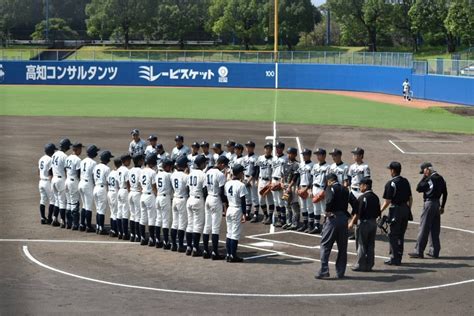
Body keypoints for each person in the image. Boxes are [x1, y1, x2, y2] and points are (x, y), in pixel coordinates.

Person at [409, 162, 448, 259]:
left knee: (424, 227)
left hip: (429, 204)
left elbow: (419, 188)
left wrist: (425, 177)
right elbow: (445, 193)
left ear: (428, 169)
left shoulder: (430, 179)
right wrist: (442, 206)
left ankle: (418, 251)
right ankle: (434, 251)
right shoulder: (440, 178)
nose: (423, 173)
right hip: (437, 204)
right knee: (435, 228)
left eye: (424, 171)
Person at [316, 173, 350, 279]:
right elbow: (353, 203)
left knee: (325, 245)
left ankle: (324, 271)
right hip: (344, 219)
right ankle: (340, 272)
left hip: (333, 219)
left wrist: (327, 212)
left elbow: (329, 200)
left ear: (329, 181)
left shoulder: (330, 188)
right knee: (342, 247)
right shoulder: (345, 189)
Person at [380, 161, 413, 266]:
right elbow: (410, 198)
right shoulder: (405, 181)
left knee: (393, 234)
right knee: (400, 234)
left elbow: (387, 201)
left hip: (396, 210)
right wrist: (408, 210)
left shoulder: (391, 184)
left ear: (393, 171)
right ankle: (399, 255)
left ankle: (394, 258)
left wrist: (379, 211)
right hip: (405, 209)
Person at [348, 177, 380, 272]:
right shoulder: (375, 197)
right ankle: (369, 264)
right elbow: (378, 212)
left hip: (364, 223)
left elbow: (357, 213)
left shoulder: (362, 198)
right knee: (370, 244)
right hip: (373, 223)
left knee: (361, 243)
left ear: (365, 186)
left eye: (360, 185)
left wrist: (351, 223)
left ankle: (361, 264)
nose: (359, 187)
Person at [203, 156, 229, 260]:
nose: (225, 168)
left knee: (207, 226)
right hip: (215, 199)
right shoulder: (220, 174)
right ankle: (214, 252)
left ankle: (205, 251)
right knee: (215, 227)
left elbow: (204, 189)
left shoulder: (208, 172)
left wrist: (206, 200)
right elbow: (222, 192)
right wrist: (225, 204)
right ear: (222, 164)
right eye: (225, 165)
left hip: (208, 198)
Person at [224, 164, 247, 263]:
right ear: (240, 173)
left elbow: (225, 198)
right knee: (235, 234)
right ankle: (233, 256)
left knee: (229, 233)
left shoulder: (227, 183)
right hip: (237, 209)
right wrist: (244, 214)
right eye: (243, 172)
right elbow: (243, 201)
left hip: (229, 208)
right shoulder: (241, 185)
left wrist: (225, 209)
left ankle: (228, 254)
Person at [186, 155, 208, 256]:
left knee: (190, 224)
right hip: (198, 200)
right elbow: (204, 191)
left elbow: (187, 188)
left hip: (190, 199)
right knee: (198, 225)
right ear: (202, 164)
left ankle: (189, 246)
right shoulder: (203, 175)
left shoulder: (190, 173)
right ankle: (195, 248)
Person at [51, 138, 72, 228]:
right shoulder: (64, 156)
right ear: (66, 146)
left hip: (54, 179)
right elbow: (66, 170)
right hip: (60, 180)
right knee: (62, 202)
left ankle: (55, 218)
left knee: (56, 201)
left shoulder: (54, 154)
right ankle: (63, 221)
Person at [170, 156, 189, 252]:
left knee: (175, 223)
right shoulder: (186, 176)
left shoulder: (173, 175)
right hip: (182, 200)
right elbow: (188, 189)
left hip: (175, 199)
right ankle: (180, 245)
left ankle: (173, 244)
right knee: (182, 224)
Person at [79, 145, 99, 232]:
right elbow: (93, 176)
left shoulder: (82, 161)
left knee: (84, 205)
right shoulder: (93, 163)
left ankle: (82, 224)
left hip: (81, 183)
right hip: (88, 184)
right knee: (89, 206)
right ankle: (88, 226)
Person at [93, 150, 113, 235]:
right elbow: (109, 180)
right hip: (102, 189)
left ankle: (98, 226)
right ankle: (101, 228)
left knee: (98, 209)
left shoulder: (96, 166)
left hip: (96, 187)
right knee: (101, 209)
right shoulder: (106, 168)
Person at [139, 154, 158, 246]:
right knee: (151, 218)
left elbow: (139, 184)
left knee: (143, 218)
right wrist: (157, 196)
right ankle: (151, 239)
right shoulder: (152, 172)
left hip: (142, 195)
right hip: (150, 196)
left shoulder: (141, 171)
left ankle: (142, 238)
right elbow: (154, 187)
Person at [310, 148, 329, 234]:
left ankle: (325, 228)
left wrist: (324, 190)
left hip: (322, 189)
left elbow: (328, 181)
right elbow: (312, 178)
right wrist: (310, 189)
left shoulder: (328, 167)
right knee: (316, 209)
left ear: (324, 155)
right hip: (315, 188)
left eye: (319, 154)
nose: (317, 156)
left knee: (324, 210)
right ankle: (317, 226)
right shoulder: (315, 166)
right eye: (317, 154)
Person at [155, 158, 174, 249]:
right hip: (165, 198)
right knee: (166, 220)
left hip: (158, 197)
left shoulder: (158, 174)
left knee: (158, 219)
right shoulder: (168, 175)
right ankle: (166, 242)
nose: (171, 168)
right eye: (170, 166)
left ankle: (157, 240)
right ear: (167, 166)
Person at [65, 142, 83, 230]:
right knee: (75, 203)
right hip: (73, 182)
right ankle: (75, 224)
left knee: (68, 202)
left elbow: (65, 169)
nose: (81, 151)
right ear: (77, 149)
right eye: (80, 149)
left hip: (67, 180)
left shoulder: (68, 158)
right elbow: (79, 173)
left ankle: (68, 223)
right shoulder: (77, 159)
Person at [38, 143, 57, 225]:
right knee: (53, 200)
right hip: (47, 182)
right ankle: (49, 218)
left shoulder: (41, 159)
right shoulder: (50, 159)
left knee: (43, 200)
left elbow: (38, 171)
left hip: (41, 181)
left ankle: (42, 218)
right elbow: (50, 172)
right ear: (51, 151)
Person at [256, 142, 275, 224]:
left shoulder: (274, 160)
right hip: (261, 181)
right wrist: (257, 180)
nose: (267, 150)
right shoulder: (260, 158)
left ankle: (270, 217)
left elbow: (274, 171)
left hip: (269, 181)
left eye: (269, 148)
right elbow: (257, 168)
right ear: (264, 149)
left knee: (270, 200)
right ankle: (266, 215)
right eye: (266, 148)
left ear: (271, 150)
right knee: (261, 200)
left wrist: (271, 183)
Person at [282, 147, 300, 230]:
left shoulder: (297, 164)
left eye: (291, 153)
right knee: (287, 204)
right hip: (286, 187)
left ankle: (295, 223)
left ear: (295, 154)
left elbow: (295, 177)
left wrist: (289, 186)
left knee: (294, 204)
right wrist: (282, 183)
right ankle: (288, 222)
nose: (289, 155)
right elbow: (283, 175)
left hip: (293, 187)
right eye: (288, 153)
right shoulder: (285, 163)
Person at [296, 148, 314, 232]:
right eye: (303, 154)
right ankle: (305, 224)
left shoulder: (313, 165)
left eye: (305, 154)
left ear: (309, 155)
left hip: (308, 188)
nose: (304, 156)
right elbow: (299, 176)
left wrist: (307, 189)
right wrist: (297, 187)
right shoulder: (301, 164)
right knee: (303, 207)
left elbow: (312, 178)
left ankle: (311, 226)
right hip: (301, 187)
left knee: (309, 207)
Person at [271, 141, 287, 227]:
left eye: (279, 147)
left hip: (281, 181)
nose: (277, 149)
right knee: (276, 201)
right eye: (276, 147)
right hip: (274, 180)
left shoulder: (285, 158)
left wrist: (282, 182)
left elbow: (286, 172)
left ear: (282, 148)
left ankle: (283, 219)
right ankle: (279, 217)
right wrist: (271, 182)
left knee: (281, 201)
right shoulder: (274, 158)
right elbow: (273, 170)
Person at [128, 154, 144, 242]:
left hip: (131, 192)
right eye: (142, 160)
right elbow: (141, 183)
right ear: (139, 161)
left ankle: (132, 234)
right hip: (137, 193)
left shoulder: (130, 170)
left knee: (132, 215)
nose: (143, 161)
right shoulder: (140, 171)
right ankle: (138, 235)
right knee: (138, 216)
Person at [243, 141, 259, 222]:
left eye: (249, 146)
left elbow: (255, 170)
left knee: (254, 198)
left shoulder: (256, 158)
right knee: (247, 198)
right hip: (245, 178)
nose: (247, 148)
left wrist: (250, 180)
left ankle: (256, 214)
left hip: (252, 180)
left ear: (253, 148)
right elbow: (243, 170)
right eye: (247, 146)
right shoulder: (245, 158)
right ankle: (247, 213)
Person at [117, 154, 131, 240]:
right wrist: (129, 192)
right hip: (125, 190)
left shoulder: (118, 169)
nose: (130, 162)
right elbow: (128, 183)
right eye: (129, 160)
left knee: (119, 212)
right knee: (125, 212)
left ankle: (120, 232)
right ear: (125, 161)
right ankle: (125, 233)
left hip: (119, 190)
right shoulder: (126, 170)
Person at [107, 158, 121, 237]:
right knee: (115, 212)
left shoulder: (111, 172)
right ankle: (115, 230)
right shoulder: (118, 173)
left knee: (112, 212)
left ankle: (112, 229)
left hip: (109, 192)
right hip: (115, 193)